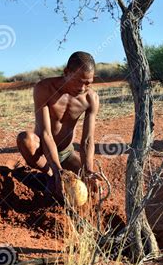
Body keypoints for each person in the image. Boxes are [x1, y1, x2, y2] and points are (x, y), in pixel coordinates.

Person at [16, 51, 101, 198]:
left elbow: (87, 139)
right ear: (66, 72)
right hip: (42, 149)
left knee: (90, 190)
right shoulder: (44, 88)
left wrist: (88, 170)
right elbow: (45, 133)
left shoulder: (91, 98)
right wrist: (56, 171)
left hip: (67, 152)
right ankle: (48, 175)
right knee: (25, 139)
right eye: (78, 81)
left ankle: (57, 176)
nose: (82, 88)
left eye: (88, 83)